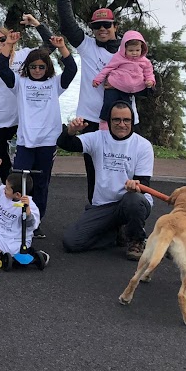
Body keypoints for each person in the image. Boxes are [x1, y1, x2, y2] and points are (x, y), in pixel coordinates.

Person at [54, 0, 135, 202]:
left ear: (115, 27)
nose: (101, 30)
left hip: (123, 119)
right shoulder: (87, 46)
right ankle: (95, 216)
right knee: (94, 172)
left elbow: (143, 84)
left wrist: (120, 82)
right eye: (96, 27)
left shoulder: (128, 50)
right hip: (90, 119)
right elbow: (68, 25)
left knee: (124, 173)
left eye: (106, 25)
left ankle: (122, 222)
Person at [0, 35, 77, 237]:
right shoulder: (20, 83)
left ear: (47, 68)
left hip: (48, 142)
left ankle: (36, 220)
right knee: (19, 182)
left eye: (41, 67)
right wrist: (8, 45)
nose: (37, 70)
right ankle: (17, 218)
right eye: (33, 67)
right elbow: (3, 70)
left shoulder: (54, 83)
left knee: (41, 184)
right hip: (25, 142)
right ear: (28, 67)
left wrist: (62, 47)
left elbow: (72, 70)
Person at [0, 4, 55, 181]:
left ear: (10, 38)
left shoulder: (24, 56)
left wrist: (36, 23)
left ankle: (28, 196)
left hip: (22, 118)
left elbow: (50, 45)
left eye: (2, 39)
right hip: (0, 120)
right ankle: (6, 197)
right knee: (2, 163)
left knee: (27, 161)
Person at [57, 101, 155, 260]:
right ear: (109, 121)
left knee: (134, 200)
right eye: (116, 120)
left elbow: (144, 185)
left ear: (132, 122)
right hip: (103, 205)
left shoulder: (143, 145)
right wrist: (71, 131)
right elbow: (65, 143)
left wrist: (135, 186)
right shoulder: (97, 138)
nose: (121, 124)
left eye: (126, 120)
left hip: (130, 202)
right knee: (71, 242)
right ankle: (114, 235)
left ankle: (136, 240)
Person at [92, 31, 155, 126]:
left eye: (137, 50)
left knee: (125, 110)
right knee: (108, 105)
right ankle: (104, 125)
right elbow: (108, 68)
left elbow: (149, 73)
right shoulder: (119, 57)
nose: (134, 53)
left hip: (129, 90)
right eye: (131, 51)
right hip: (114, 84)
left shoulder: (145, 62)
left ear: (142, 49)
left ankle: (126, 130)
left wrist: (150, 81)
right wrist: (98, 80)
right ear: (124, 49)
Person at [0, 170, 42, 260]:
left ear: (17, 195)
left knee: (13, 249)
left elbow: (30, 224)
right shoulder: (6, 194)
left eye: (7, 188)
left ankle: (29, 253)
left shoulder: (30, 205)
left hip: (14, 237)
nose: (4, 189)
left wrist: (27, 209)